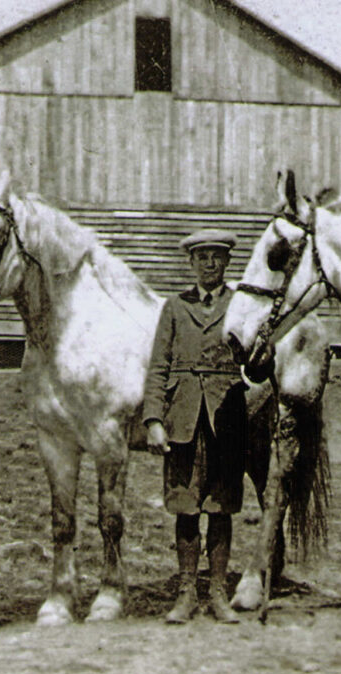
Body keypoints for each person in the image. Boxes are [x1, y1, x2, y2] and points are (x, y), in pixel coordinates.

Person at [142, 228, 249, 624]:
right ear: (191, 263)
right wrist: (154, 419)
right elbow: (158, 366)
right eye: (202, 257)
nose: (209, 263)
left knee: (220, 508)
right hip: (183, 419)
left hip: (226, 420)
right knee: (186, 507)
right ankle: (186, 593)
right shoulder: (174, 307)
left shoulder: (241, 305)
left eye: (217, 257)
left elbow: (256, 361)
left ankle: (219, 593)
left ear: (226, 263)